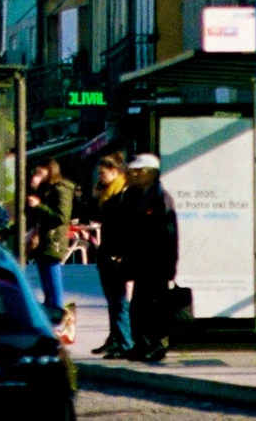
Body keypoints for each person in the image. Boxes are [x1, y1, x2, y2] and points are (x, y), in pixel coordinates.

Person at [119, 155, 178, 362]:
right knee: (138, 306)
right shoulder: (132, 196)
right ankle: (142, 343)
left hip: (157, 262)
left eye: (139, 170)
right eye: (132, 170)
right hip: (139, 262)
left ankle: (158, 345)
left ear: (151, 172)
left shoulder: (160, 198)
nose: (133, 174)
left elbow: (170, 234)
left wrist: (170, 264)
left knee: (156, 307)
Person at [87, 153, 132, 357]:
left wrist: (121, 253)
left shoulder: (122, 194)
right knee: (113, 300)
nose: (100, 177)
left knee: (118, 301)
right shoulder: (106, 194)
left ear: (116, 172)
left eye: (103, 173)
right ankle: (115, 339)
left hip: (116, 254)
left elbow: (124, 226)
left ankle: (124, 342)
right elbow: (93, 216)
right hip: (107, 253)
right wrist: (96, 195)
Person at [26, 160, 75, 329]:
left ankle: (58, 313)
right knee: (45, 280)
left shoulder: (62, 187)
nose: (37, 174)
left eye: (40, 171)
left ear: (50, 170)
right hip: (42, 238)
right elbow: (31, 211)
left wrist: (39, 206)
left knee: (53, 278)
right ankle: (51, 314)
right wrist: (34, 188)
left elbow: (61, 217)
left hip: (54, 239)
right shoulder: (45, 188)